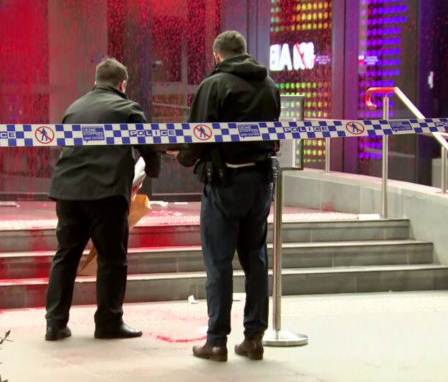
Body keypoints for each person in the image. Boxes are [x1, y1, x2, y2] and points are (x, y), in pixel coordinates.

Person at [172, 30, 280, 361]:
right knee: (255, 259)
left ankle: (217, 340)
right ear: (243, 52)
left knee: (218, 262)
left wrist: (181, 156)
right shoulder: (269, 86)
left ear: (217, 56)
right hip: (260, 182)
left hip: (224, 182)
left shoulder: (214, 85)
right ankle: (254, 338)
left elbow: (198, 136)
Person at [45, 58, 160, 341]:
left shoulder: (74, 107)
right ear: (122, 84)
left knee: (66, 256)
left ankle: (55, 324)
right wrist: (153, 170)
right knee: (112, 258)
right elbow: (149, 148)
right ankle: (108, 322)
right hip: (106, 194)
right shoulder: (128, 109)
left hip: (68, 192)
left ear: (96, 81)